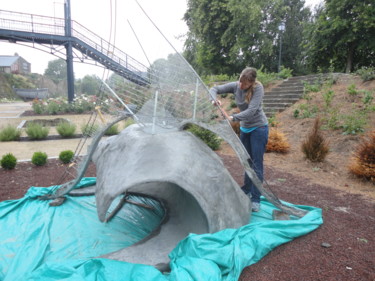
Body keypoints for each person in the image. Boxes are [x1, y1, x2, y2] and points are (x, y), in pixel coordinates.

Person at [209, 67, 269, 212]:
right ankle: (247, 190)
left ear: (251, 83)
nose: (241, 86)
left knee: (256, 164)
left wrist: (233, 117)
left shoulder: (258, 88)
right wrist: (214, 99)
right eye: (240, 82)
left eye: (244, 84)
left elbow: (251, 111)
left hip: (258, 128)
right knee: (246, 162)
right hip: (245, 129)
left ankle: (256, 199)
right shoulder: (236, 85)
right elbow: (214, 88)